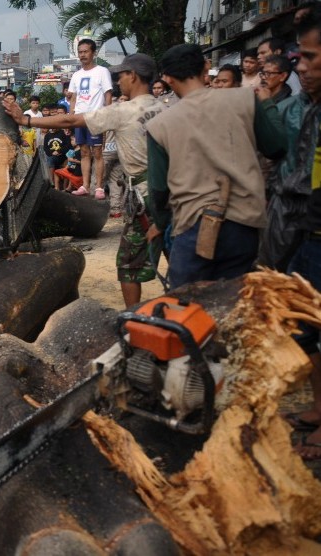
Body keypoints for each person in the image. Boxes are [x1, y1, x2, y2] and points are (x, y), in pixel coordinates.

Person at [6, 53, 165, 307]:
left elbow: (71, 119)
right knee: (178, 258)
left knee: (127, 266)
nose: (118, 81)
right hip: (173, 192)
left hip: (147, 197)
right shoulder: (163, 107)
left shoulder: (123, 111)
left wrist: (26, 120)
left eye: (121, 76)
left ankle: (133, 316)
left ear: (133, 76)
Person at [145, 43, 285, 289]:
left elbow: (158, 190)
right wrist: (267, 103)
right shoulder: (245, 99)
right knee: (234, 306)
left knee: (186, 308)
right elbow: (276, 146)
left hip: (192, 225)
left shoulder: (159, 125)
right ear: (206, 68)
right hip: (244, 223)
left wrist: (162, 223)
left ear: (166, 78)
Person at [273, 4, 321, 460]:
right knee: (308, 329)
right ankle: (316, 410)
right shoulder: (307, 109)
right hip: (309, 234)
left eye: (309, 57)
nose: (300, 67)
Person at [68, 38, 113, 199]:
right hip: (80, 118)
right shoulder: (76, 75)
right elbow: (73, 98)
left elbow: (108, 94)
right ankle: (85, 186)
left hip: (96, 117)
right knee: (84, 152)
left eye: (86, 51)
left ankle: (99, 187)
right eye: (80, 52)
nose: (83, 55)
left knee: (97, 152)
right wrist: (70, 117)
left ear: (93, 53)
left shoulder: (102, 71)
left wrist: (107, 116)